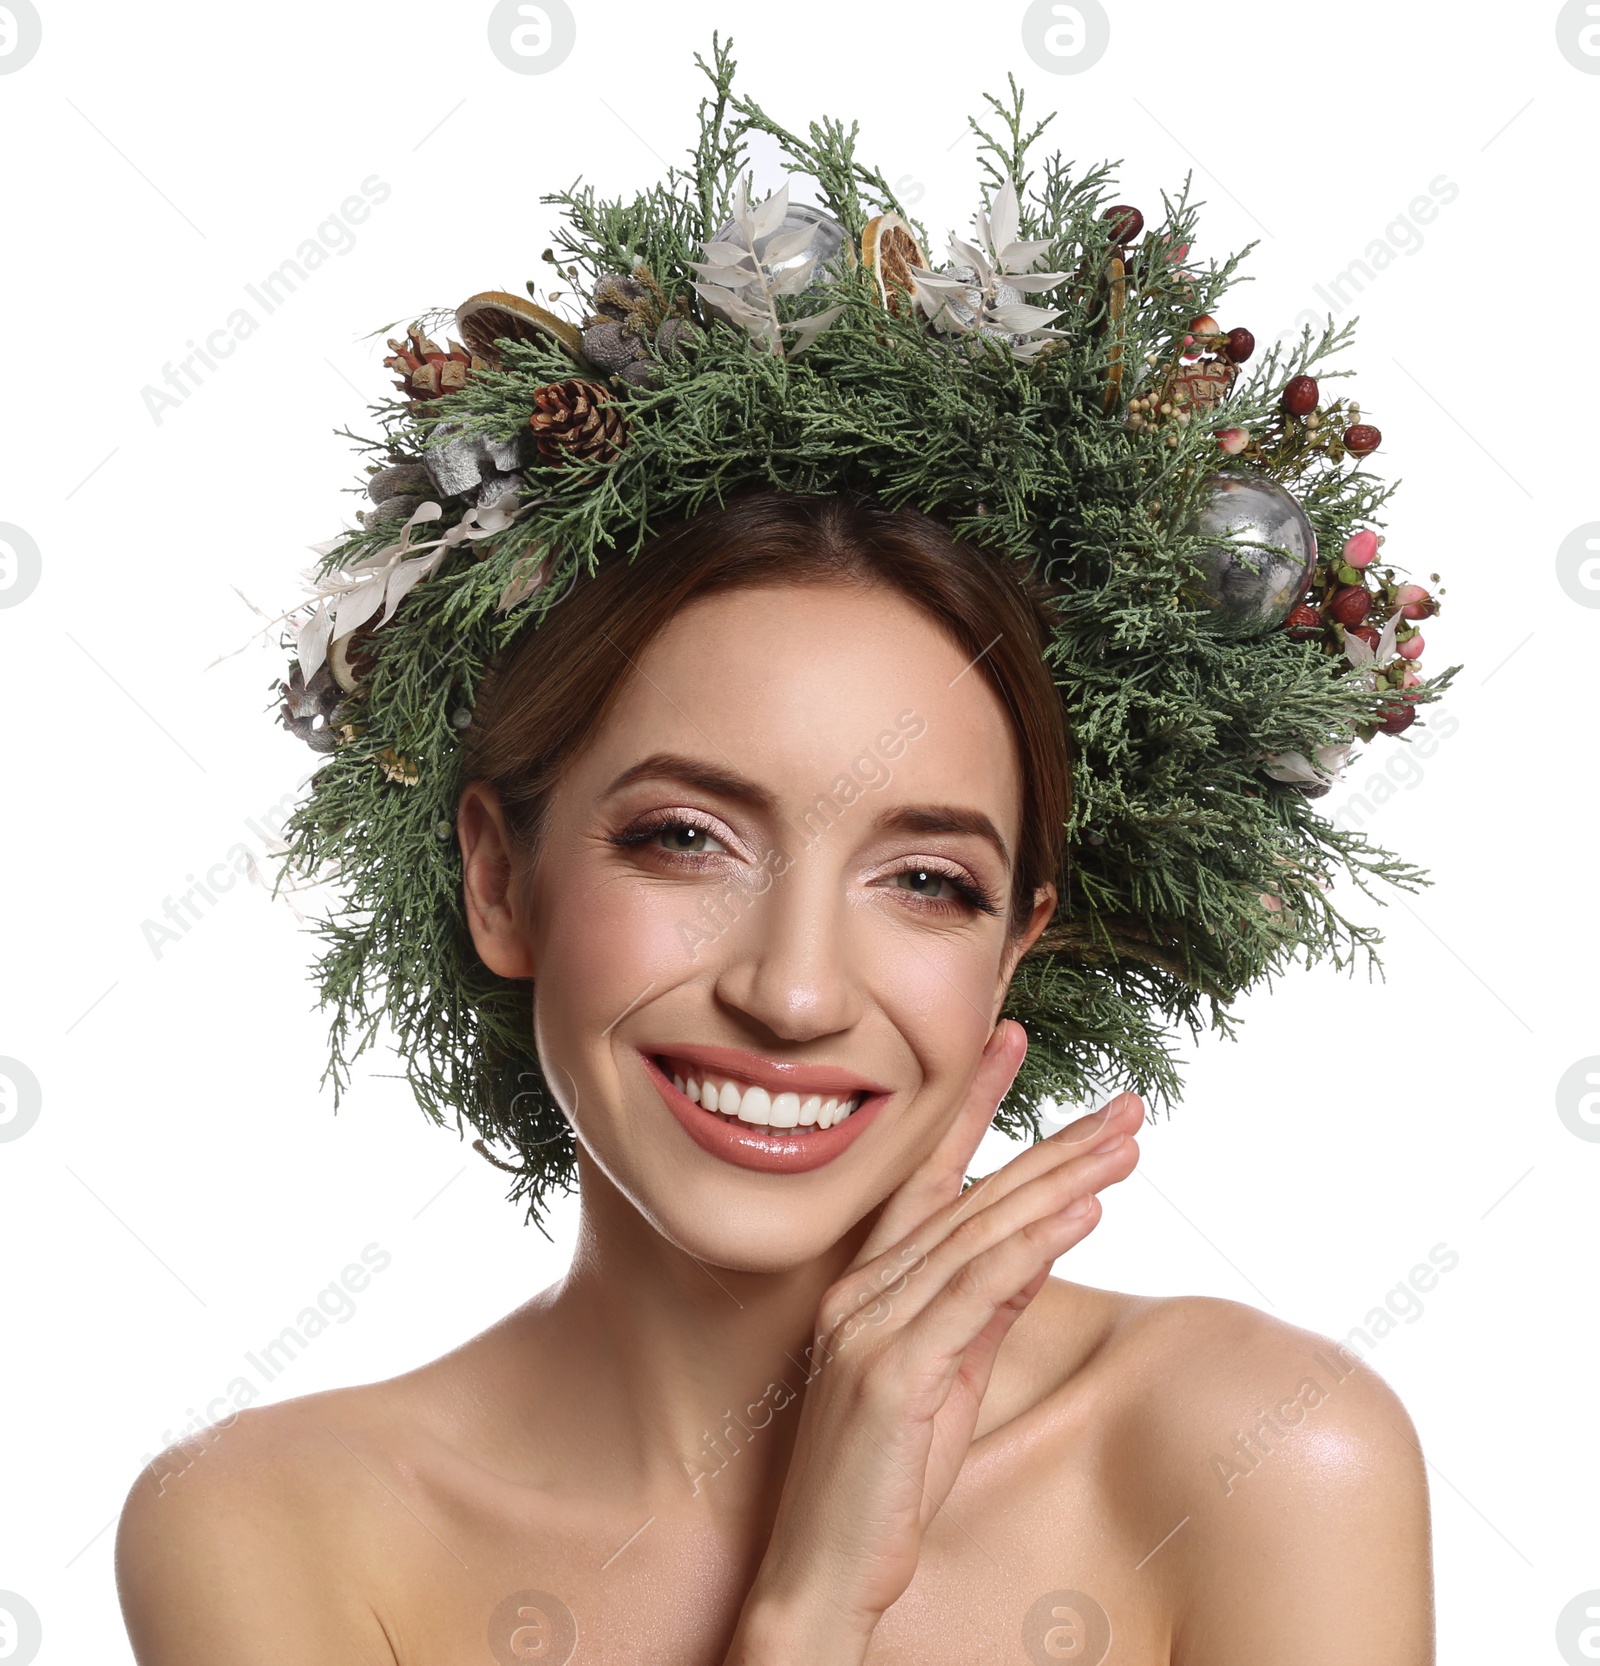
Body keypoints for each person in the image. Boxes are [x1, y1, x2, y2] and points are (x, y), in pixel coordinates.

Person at [116, 41, 1449, 1659]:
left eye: (928, 879)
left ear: (1017, 947)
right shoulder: (279, 1528)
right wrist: (815, 1598)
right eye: (685, 837)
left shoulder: (1258, 1462)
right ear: (498, 877)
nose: (798, 989)